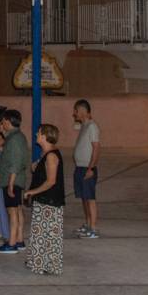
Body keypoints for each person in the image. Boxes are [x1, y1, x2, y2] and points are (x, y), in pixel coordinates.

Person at [24, 124, 66, 276]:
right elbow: (39, 171)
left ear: (45, 136)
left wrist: (31, 192)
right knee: (39, 232)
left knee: (48, 234)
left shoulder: (51, 156)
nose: (36, 135)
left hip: (50, 201)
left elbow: (51, 181)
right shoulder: (45, 153)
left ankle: (47, 265)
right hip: (44, 200)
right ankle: (37, 261)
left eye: (38, 133)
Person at [0, 109, 29, 254]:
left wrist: (10, 184)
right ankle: (19, 240)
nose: (2, 125)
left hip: (12, 181)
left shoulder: (14, 139)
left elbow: (15, 163)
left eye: (3, 122)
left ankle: (12, 243)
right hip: (16, 181)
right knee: (18, 210)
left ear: (8, 122)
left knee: (12, 212)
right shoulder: (17, 137)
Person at [72, 99, 102, 239]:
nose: (74, 113)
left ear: (83, 111)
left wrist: (91, 168)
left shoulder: (92, 127)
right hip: (80, 167)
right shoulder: (84, 126)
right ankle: (88, 224)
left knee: (90, 198)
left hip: (87, 168)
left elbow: (96, 148)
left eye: (76, 110)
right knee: (84, 198)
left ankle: (94, 229)